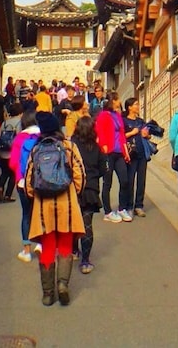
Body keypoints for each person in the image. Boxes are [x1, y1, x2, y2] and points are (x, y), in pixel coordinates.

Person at [25, 111, 85, 306]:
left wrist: (37, 196)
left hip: (44, 207)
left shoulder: (36, 150)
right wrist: (73, 193)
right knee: (66, 246)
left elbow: (28, 181)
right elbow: (80, 174)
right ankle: (62, 285)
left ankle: (48, 293)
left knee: (48, 247)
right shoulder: (69, 147)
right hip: (66, 203)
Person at [95, 92, 132, 223]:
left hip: (119, 152)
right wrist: (103, 147)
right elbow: (99, 131)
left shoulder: (118, 115)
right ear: (113, 101)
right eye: (118, 100)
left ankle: (122, 208)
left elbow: (122, 134)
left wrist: (125, 151)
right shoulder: (103, 115)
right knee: (107, 183)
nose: (119, 102)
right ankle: (108, 211)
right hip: (108, 152)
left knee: (125, 180)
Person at [71, 116, 102, 274]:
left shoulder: (71, 145)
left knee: (72, 222)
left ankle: (74, 250)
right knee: (86, 224)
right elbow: (103, 169)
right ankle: (85, 261)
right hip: (90, 189)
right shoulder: (96, 147)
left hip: (73, 188)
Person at [9, 110, 40, 262]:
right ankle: (41, 244)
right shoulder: (44, 136)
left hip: (22, 183)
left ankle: (26, 251)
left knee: (26, 214)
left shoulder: (20, 138)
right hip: (42, 183)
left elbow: (13, 162)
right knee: (41, 212)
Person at [122, 97, 151, 217]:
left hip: (142, 153)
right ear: (129, 107)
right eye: (136, 104)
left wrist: (147, 135)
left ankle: (139, 205)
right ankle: (129, 205)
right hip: (131, 154)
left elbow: (147, 135)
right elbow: (120, 136)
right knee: (130, 180)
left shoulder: (141, 121)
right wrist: (132, 133)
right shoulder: (124, 121)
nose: (138, 106)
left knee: (141, 180)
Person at [0, 103, 23, 202]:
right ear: (20, 112)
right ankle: (8, 195)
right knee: (13, 174)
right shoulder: (20, 123)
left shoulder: (5, 123)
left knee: (4, 173)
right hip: (14, 153)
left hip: (3, 152)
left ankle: (0, 188)